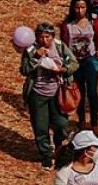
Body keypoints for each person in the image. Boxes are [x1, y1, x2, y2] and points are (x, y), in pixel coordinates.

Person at [21, 22, 79, 169]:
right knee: (40, 127)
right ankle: (46, 155)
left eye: (47, 37)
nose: (44, 40)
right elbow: (24, 70)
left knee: (60, 123)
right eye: (41, 37)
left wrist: (63, 69)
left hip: (57, 92)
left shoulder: (60, 47)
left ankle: (59, 147)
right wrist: (35, 58)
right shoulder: (31, 49)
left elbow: (74, 63)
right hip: (38, 94)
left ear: (53, 37)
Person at [60, 0, 98, 130]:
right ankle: (81, 119)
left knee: (92, 91)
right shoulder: (67, 25)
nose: (79, 11)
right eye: (77, 8)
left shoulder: (94, 22)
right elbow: (63, 44)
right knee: (79, 92)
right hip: (75, 62)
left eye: (82, 7)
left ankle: (94, 120)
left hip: (90, 60)